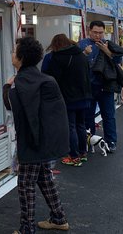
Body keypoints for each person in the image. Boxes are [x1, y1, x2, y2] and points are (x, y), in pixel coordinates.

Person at [3, 37, 70, 233]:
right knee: (43, 178)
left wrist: (7, 86)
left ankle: (27, 229)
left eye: (15, 52)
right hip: (49, 139)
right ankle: (58, 218)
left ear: (21, 57)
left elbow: (11, 104)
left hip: (34, 140)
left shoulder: (22, 81)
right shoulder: (44, 78)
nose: (12, 55)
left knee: (25, 184)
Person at [78, 21, 123, 153]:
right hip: (89, 86)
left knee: (108, 115)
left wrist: (107, 51)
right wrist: (85, 54)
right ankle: (89, 141)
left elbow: (119, 62)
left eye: (100, 32)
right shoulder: (82, 44)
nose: (98, 35)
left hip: (106, 85)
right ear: (89, 31)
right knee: (88, 116)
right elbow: (76, 64)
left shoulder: (108, 44)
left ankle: (111, 142)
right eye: (95, 32)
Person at [41, 34, 92, 167]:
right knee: (81, 125)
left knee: (70, 126)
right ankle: (83, 153)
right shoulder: (81, 55)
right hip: (84, 96)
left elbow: (48, 77)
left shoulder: (54, 57)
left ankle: (73, 156)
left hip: (67, 97)